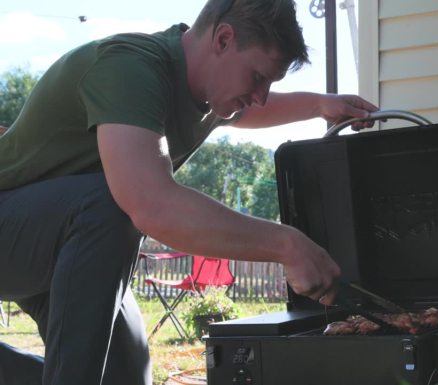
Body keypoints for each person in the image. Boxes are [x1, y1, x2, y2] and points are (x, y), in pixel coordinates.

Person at [0, 0, 378, 384]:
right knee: (113, 203)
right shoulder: (130, 68)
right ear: (224, 39)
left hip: (59, 243)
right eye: (258, 77)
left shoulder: (212, 92)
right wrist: (287, 245)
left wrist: (319, 105)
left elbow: (255, 109)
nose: (261, 95)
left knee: (126, 374)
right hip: (12, 223)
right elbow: (150, 205)